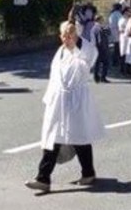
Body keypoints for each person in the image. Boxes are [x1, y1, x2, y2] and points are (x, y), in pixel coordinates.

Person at [25, 21, 105, 193]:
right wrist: (49, 100)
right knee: (52, 138)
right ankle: (43, 178)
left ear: (76, 36)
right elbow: (54, 78)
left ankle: (88, 173)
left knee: (79, 137)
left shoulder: (83, 52)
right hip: (59, 102)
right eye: (64, 36)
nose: (67, 39)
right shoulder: (60, 53)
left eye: (70, 36)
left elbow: (92, 53)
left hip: (76, 100)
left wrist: (77, 39)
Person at [93, 15, 111, 83]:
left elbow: (108, 33)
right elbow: (100, 39)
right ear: (99, 20)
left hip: (98, 47)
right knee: (105, 62)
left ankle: (97, 77)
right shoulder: (98, 28)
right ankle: (102, 77)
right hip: (101, 47)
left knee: (97, 63)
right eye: (102, 20)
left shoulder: (96, 27)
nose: (103, 21)